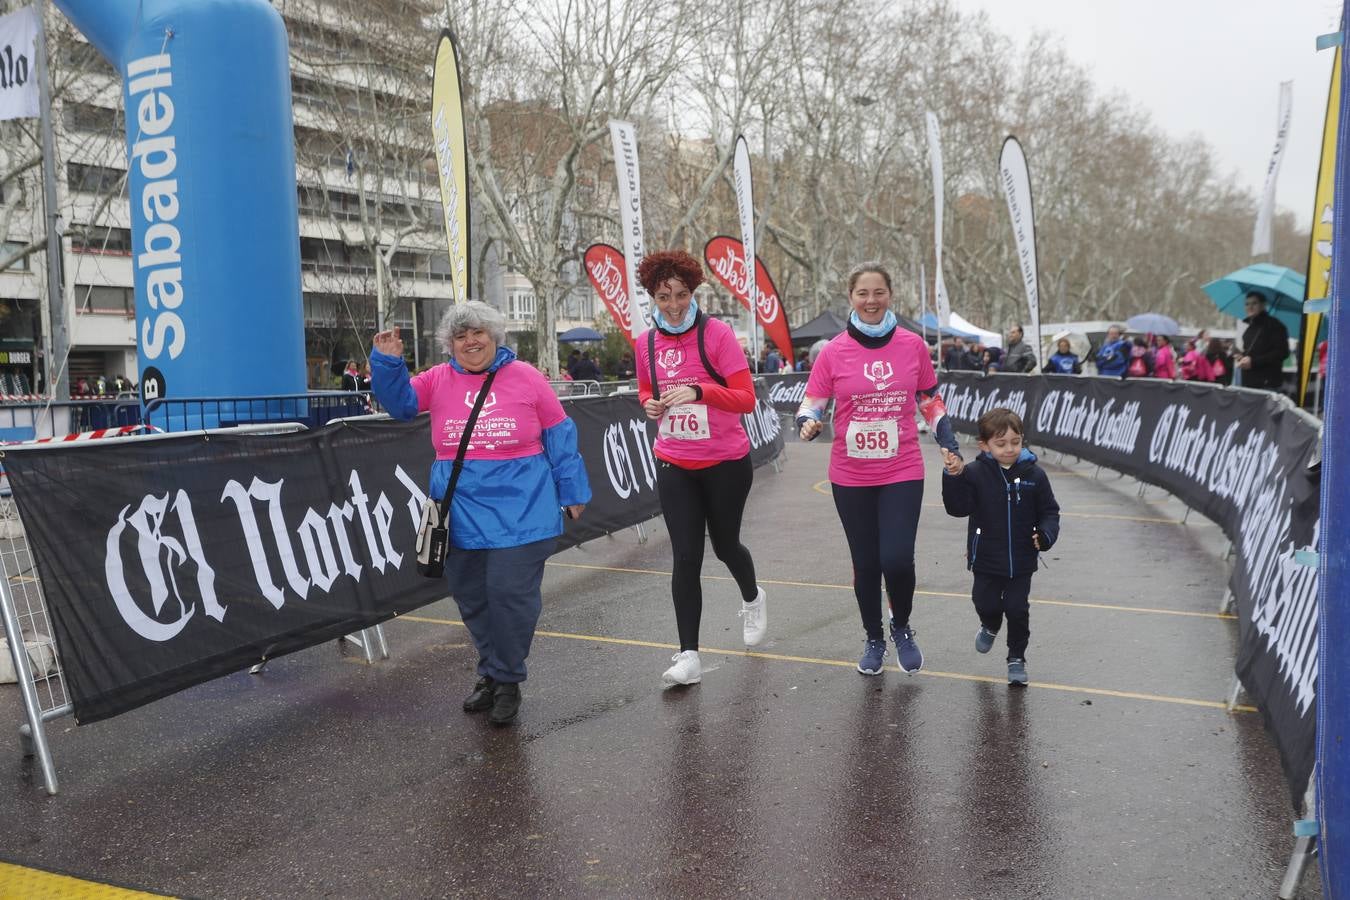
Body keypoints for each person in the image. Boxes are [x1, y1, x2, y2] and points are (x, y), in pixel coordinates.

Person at [369, 302, 591, 725]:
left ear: (494, 336)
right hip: (460, 511)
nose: (470, 342)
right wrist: (387, 363)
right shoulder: (437, 379)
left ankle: (507, 679)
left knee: (510, 597)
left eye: (478, 334)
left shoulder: (526, 377)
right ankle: (492, 671)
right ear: (449, 344)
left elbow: (560, 434)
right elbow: (400, 405)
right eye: (460, 336)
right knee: (473, 598)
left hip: (523, 509)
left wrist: (573, 489)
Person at [796, 261, 962, 676]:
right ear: (850, 298)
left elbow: (929, 400)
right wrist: (808, 423)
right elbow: (812, 401)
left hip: (902, 467)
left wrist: (948, 442)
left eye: (878, 293)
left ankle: (901, 626)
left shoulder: (912, 345)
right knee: (867, 563)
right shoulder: (832, 351)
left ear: (890, 295)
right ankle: (874, 637)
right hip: (851, 474)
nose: (871, 301)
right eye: (862, 294)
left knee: (898, 560)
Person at [634, 250, 767, 687]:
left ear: (693, 291)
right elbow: (647, 391)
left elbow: (746, 398)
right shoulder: (646, 343)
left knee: (726, 546)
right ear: (652, 296)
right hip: (675, 461)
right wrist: (651, 406)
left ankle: (752, 597)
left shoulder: (718, 335)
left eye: (681, 294)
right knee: (686, 556)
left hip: (726, 463)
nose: (673, 304)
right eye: (663, 296)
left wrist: (698, 391)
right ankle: (688, 654)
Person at [940, 407, 1060, 686]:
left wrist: (1045, 535)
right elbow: (957, 508)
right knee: (985, 602)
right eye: (1001, 443)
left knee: (1018, 609)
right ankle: (990, 624)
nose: (1009, 449)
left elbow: (1050, 512)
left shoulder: (1035, 475)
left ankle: (1016, 657)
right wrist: (953, 476)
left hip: (1021, 561)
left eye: (1015, 442)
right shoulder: (974, 473)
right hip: (986, 558)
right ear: (984, 445)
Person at [1237, 293, 1290, 392]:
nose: (1250, 307)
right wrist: (1241, 357)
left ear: (1263, 305)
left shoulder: (1275, 325)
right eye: (1247, 304)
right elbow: (1251, 353)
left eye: (1254, 303)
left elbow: (1282, 352)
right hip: (1248, 383)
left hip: (1267, 384)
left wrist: (1254, 362)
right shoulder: (1249, 328)